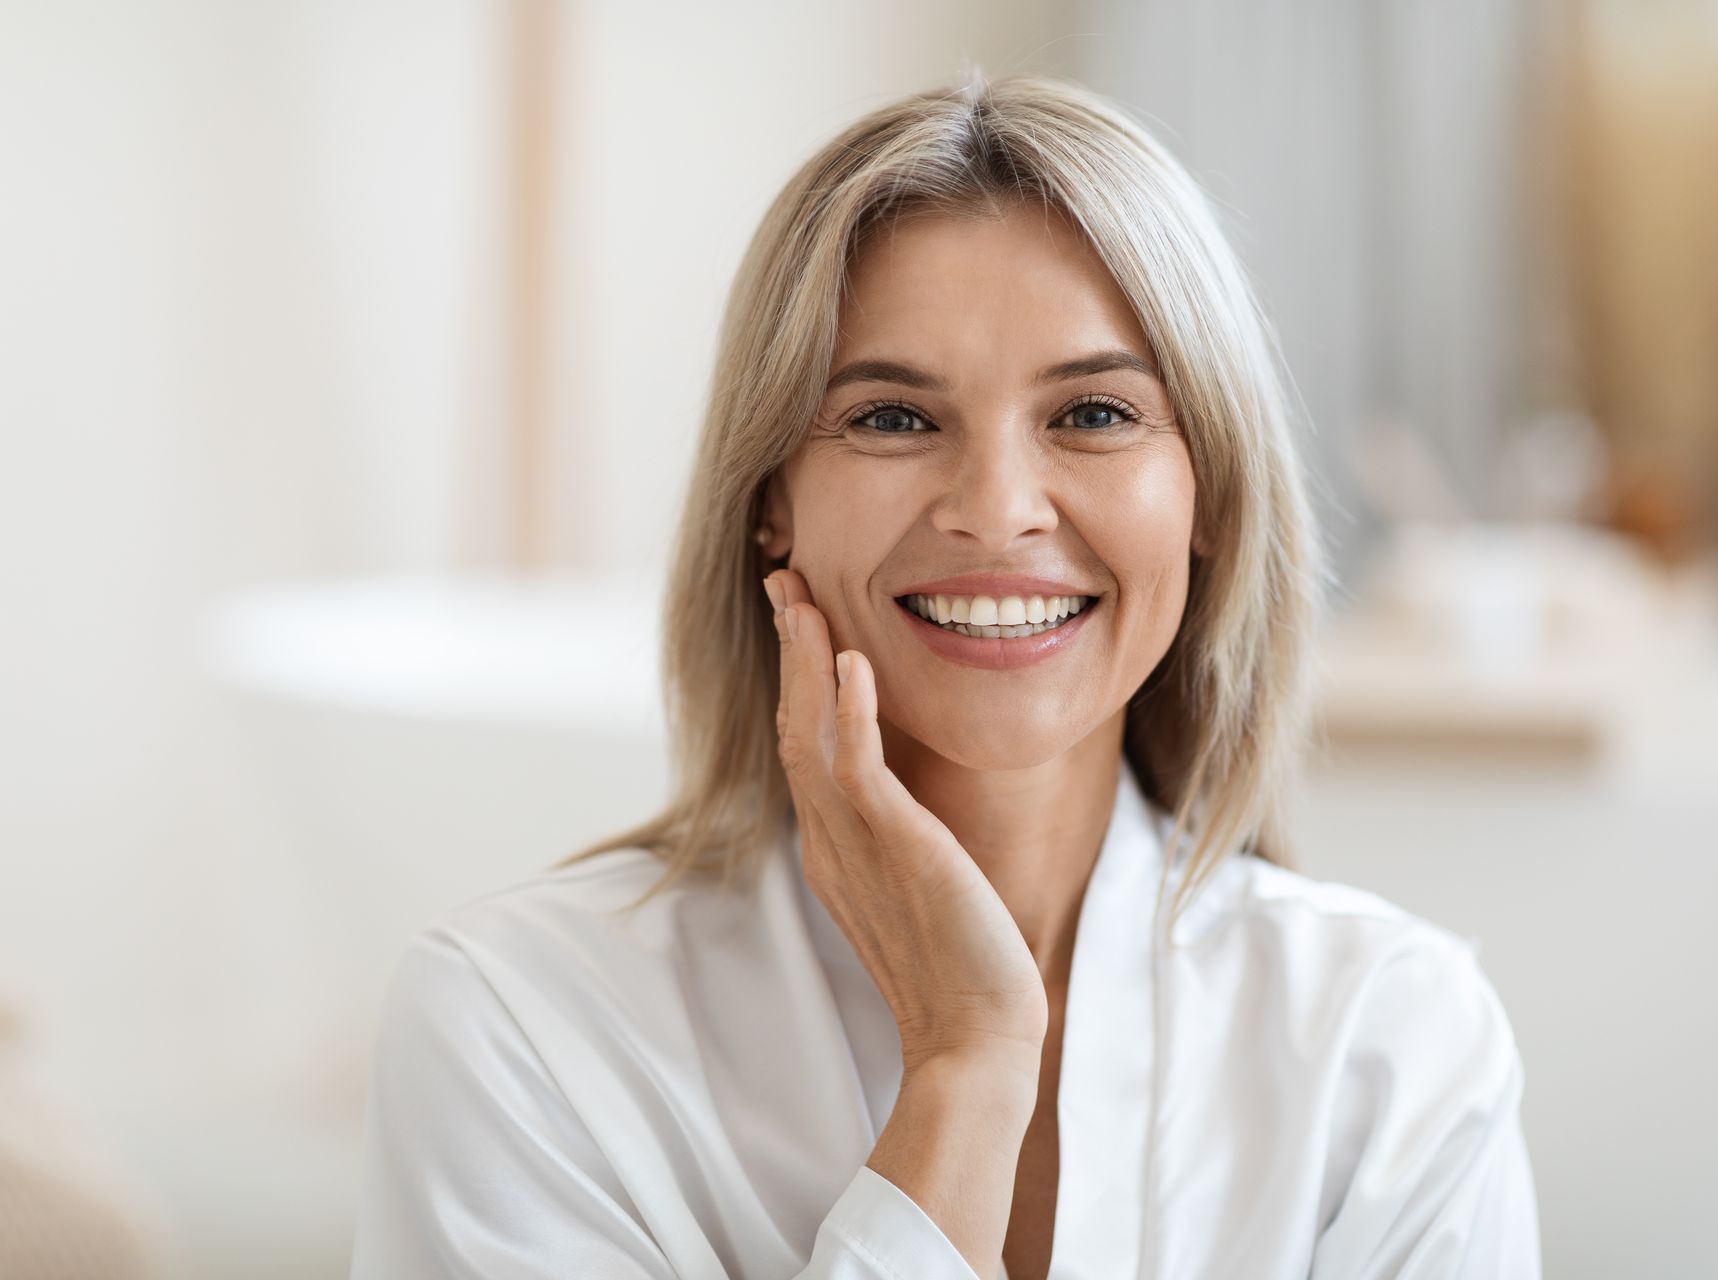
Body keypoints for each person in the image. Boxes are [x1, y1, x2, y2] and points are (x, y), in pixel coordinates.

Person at [348, 70, 1541, 1280]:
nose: (997, 512)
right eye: (892, 419)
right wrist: (967, 1068)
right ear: (770, 503)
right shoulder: (522, 1027)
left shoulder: (1392, 1043)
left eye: (1092, 412)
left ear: (1209, 498)